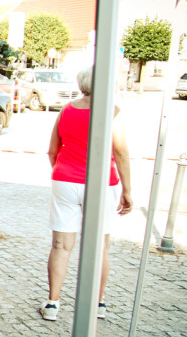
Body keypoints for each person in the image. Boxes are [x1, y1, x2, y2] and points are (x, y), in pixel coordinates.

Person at [41, 69, 132, 322]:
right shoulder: (112, 111)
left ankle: (52, 304)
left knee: (60, 245)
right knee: (99, 245)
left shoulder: (66, 109)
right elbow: (121, 153)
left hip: (65, 181)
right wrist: (127, 189)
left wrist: (64, 174)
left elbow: (52, 151)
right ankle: (98, 303)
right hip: (102, 183)